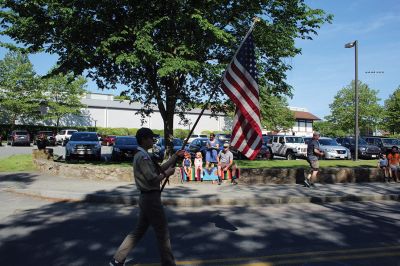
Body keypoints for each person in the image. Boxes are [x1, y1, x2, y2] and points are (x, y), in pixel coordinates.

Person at [110, 127, 185, 266]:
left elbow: (159, 168)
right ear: (144, 139)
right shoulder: (142, 156)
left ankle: (117, 260)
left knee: (139, 230)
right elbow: (152, 178)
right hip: (151, 198)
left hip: (148, 197)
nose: (153, 140)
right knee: (162, 232)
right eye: (151, 138)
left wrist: (175, 156)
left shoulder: (144, 154)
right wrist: (167, 174)